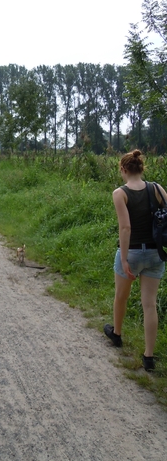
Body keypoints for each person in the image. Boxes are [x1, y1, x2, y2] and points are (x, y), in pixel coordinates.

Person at [104, 149, 167, 372]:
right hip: (155, 253)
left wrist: (124, 257)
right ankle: (149, 357)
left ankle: (117, 334)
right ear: (141, 168)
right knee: (149, 304)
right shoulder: (157, 188)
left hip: (131, 252)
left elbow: (125, 227)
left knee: (121, 297)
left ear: (123, 169)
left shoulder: (120, 193)